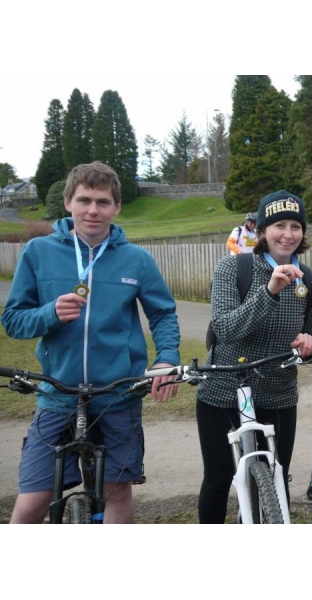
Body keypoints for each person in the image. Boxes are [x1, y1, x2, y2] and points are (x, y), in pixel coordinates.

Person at [1, 161, 180, 524]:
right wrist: (49, 313)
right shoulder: (38, 252)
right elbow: (13, 321)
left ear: (117, 207)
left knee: (116, 492)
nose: (93, 210)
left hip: (117, 396)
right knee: (33, 501)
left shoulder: (137, 260)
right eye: (84, 200)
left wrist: (167, 359)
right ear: (68, 203)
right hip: (57, 394)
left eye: (102, 201)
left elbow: (162, 314)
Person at [196, 190, 312, 524]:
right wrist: (269, 292)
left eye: (295, 226)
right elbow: (224, 328)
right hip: (222, 392)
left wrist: (308, 345)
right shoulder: (233, 268)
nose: (288, 233)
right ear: (263, 231)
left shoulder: (310, 282)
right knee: (219, 479)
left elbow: (311, 338)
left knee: (274, 478)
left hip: (278, 395)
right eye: (278, 224)